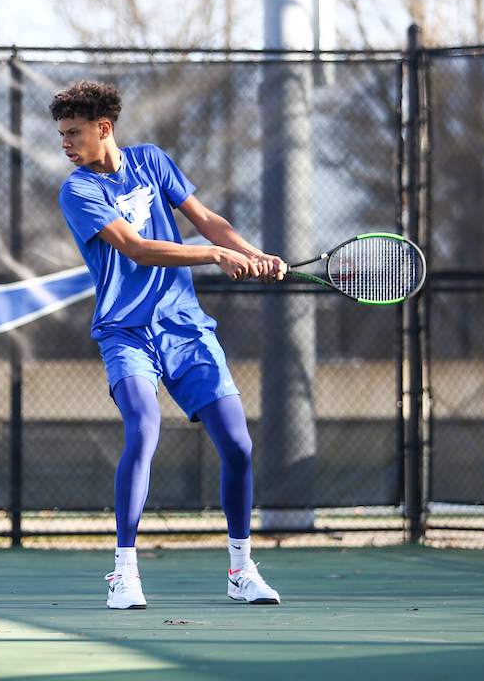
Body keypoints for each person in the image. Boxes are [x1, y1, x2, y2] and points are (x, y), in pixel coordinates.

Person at [52, 79, 286, 609]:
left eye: (73, 133)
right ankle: (125, 573)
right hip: (125, 331)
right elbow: (136, 248)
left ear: (103, 128)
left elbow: (206, 222)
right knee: (143, 427)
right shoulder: (78, 190)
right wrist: (212, 257)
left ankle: (241, 569)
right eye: (62, 134)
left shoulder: (152, 162)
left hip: (185, 327)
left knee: (239, 447)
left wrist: (254, 253)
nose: (64, 144)